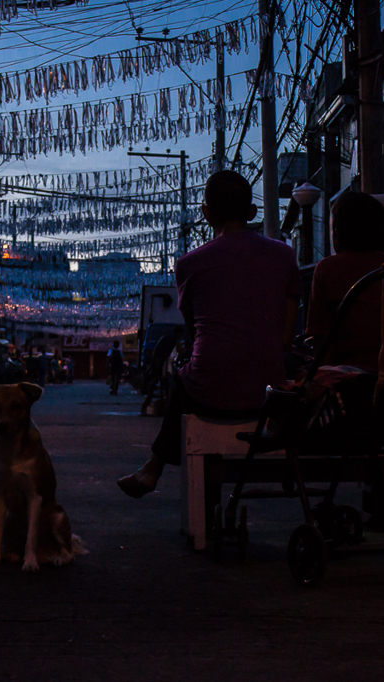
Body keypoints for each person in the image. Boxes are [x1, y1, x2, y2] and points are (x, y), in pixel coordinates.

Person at [118, 170, 302, 498]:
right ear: (251, 213)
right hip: (267, 390)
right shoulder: (285, 255)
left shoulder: (189, 264)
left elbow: (196, 328)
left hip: (209, 389)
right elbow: (286, 336)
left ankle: (155, 466)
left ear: (205, 213)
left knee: (185, 377)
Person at [305, 192, 384, 371]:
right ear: (380, 231)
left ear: (337, 234)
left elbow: (321, 338)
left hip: (347, 379)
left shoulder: (327, 269)